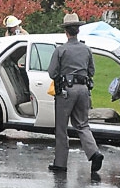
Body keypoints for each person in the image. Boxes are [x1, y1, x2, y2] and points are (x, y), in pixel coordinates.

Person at [47, 13, 104, 173]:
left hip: (66, 91)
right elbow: (91, 71)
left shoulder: (61, 50)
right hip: (83, 90)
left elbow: (52, 72)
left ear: (66, 31)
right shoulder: (86, 49)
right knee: (82, 124)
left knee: (61, 128)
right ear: (78, 30)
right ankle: (94, 153)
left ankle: (60, 163)